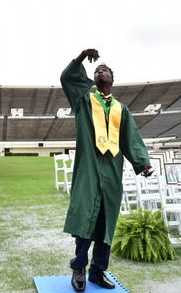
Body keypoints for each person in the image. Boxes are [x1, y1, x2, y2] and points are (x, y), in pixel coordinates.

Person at [61, 48, 153, 292]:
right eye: (96, 70)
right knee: (85, 219)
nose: (100, 71)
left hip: (112, 169)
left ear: (112, 79)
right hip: (89, 167)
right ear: (93, 79)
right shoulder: (83, 100)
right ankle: (78, 268)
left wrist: (142, 161)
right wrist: (81, 56)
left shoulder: (121, 109)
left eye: (105, 70)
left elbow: (131, 137)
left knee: (106, 224)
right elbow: (67, 78)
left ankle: (97, 271)